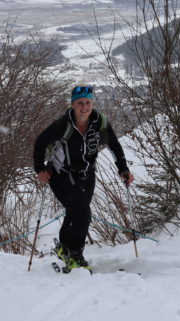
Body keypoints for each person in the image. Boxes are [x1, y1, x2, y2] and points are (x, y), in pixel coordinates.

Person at [33, 85, 134, 271]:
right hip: (62, 176)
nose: (85, 107)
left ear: (92, 103)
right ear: (72, 104)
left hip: (88, 176)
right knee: (83, 214)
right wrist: (39, 168)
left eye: (88, 102)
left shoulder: (100, 122)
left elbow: (114, 145)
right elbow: (40, 143)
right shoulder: (62, 125)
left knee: (75, 213)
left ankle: (64, 247)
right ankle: (76, 256)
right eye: (80, 103)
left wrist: (123, 170)